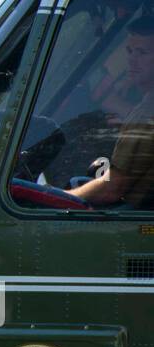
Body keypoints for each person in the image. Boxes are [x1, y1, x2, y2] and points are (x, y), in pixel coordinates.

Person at [68, 15, 154, 209]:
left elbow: (112, 189)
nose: (132, 60)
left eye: (142, 52)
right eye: (130, 51)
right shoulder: (145, 106)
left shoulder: (146, 114)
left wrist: (61, 198)